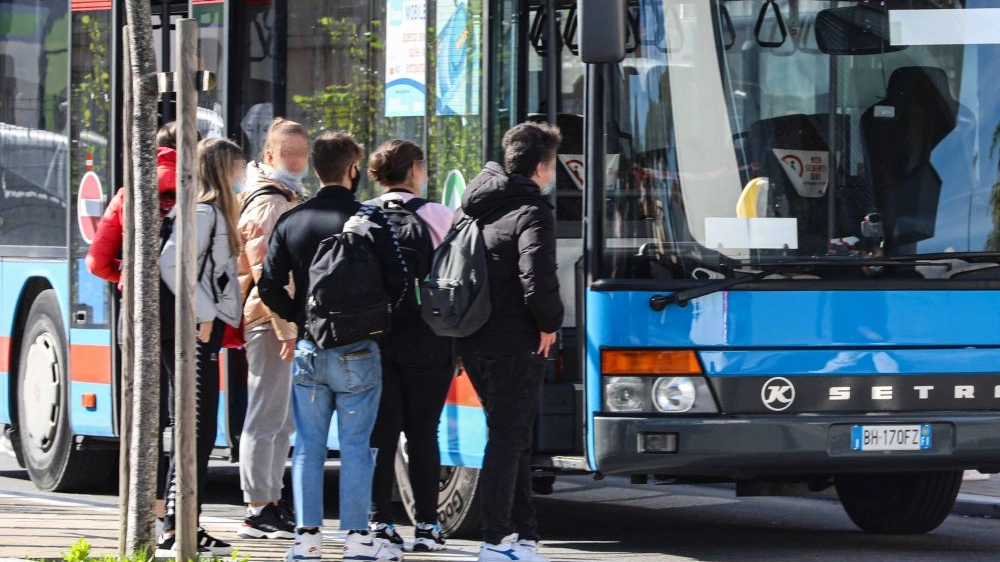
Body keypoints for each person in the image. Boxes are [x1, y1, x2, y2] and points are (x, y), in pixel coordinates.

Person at [258, 131, 408, 562]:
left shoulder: (292, 220)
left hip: (309, 347)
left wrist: (299, 317)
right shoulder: (370, 220)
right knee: (358, 444)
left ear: (315, 168)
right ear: (352, 169)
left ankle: (306, 539)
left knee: (308, 444)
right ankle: (358, 539)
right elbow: (400, 284)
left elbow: (267, 284)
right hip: (359, 349)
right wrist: (374, 320)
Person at [456, 122, 564, 562]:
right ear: (541, 166)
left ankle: (524, 536)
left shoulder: (476, 208)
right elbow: (537, 279)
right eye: (554, 165)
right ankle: (496, 539)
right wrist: (549, 324)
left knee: (511, 434)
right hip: (515, 340)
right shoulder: (532, 212)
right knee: (507, 437)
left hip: (472, 337)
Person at [85, 121, 184, 528]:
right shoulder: (202, 190)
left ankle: (148, 510)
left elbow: (96, 261)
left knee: (145, 411)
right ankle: (179, 513)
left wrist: (127, 276)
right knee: (186, 414)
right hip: (185, 310)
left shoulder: (130, 192)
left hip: (139, 308)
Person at [156, 137, 245, 557]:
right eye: (237, 169)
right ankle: (178, 528)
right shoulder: (204, 212)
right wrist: (204, 314)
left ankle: (182, 525)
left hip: (198, 332)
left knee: (199, 430)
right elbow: (173, 263)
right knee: (196, 430)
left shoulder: (206, 211)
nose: (241, 176)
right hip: (194, 333)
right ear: (223, 171)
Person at [365, 140, 454, 551]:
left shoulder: (360, 216)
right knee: (423, 433)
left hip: (375, 337)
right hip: (429, 338)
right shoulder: (441, 217)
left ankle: (379, 521)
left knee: (380, 435)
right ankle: (427, 526)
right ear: (415, 169)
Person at [235, 117, 309, 539]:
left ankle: (270, 500)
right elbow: (267, 273)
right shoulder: (269, 201)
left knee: (280, 418)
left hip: (278, 320)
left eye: (302, 155)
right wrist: (285, 327)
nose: (297, 162)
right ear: (269, 156)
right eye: (289, 155)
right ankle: (258, 506)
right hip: (268, 320)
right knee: (266, 414)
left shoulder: (285, 195)